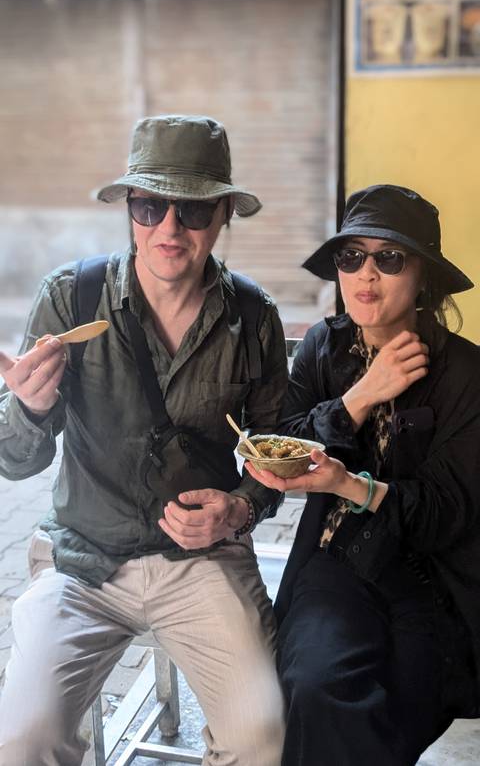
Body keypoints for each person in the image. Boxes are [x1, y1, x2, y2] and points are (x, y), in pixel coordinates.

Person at [0, 114, 287, 766]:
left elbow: (274, 448)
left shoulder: (253, 317)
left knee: (262, 739)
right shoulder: (70, 298)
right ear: (129, 208)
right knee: (20, 742)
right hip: (83, 559)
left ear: (222, 215)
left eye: (190, 209)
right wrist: (30, 407)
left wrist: (240, 507)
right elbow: (15, 459)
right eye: (150, 204)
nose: (168, 228)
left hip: (202, 561)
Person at [246, 184, 480, 766]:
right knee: (317, 685)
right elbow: (287, 443)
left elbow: (448, 511)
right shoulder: (324, 347)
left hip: (431, 577)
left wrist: (350, 486)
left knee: (394, 706)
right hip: (337, 560)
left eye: (390, 257)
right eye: (352, 257)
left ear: (423, 275)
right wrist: (360, 397)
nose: (366, 274)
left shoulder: (466, 372)